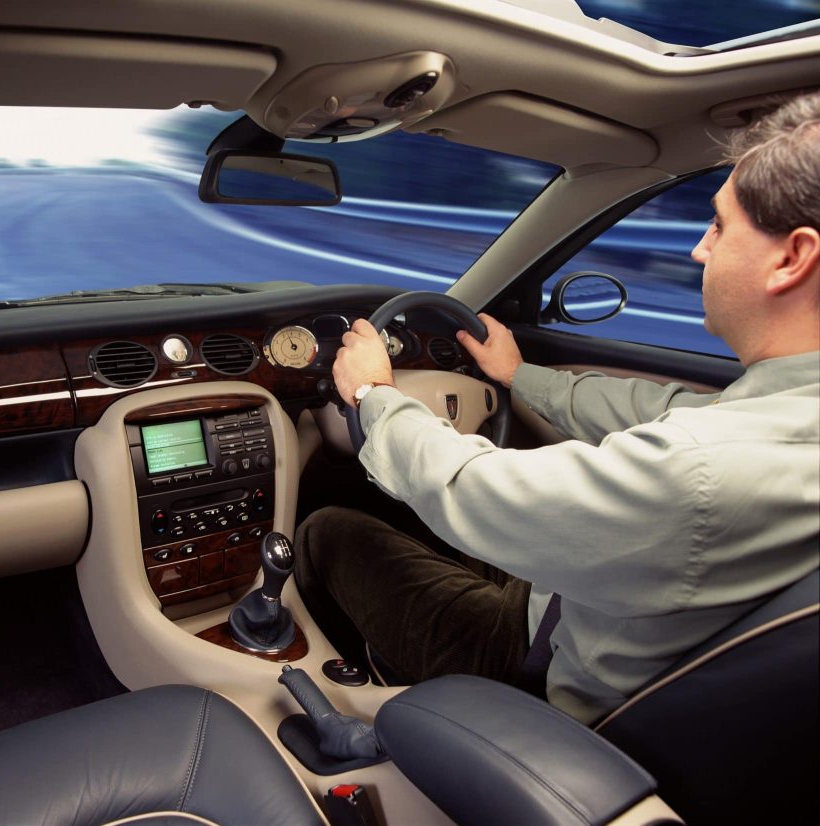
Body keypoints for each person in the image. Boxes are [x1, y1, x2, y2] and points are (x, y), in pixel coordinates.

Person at [293, 91, 820, 725]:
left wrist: (373, 395)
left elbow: (470, 484)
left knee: (327, 531)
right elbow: (661, 407)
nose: (698, 250)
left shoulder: (699, 474)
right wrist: (518, 376)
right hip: (592, 606)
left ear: (792, 258)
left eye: (718, 226)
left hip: (536, 674)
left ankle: (371, 703)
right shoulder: (780, 413)